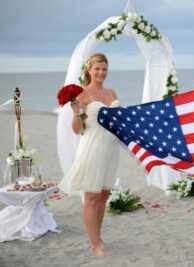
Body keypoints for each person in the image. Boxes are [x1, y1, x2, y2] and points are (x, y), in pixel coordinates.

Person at [59, 53, 121, 256]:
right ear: (89, 70)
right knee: (92, 196)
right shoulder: (83, 94)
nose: (101, 73)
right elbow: (77, 130)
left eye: (104, 69)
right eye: (97, 69)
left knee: (104, 194)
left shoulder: (112, 93)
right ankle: (95, 245)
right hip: (92, 148)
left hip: (110, 149)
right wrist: (76, 111)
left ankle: (98, 237)